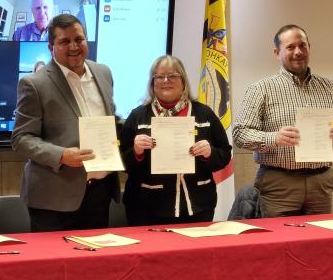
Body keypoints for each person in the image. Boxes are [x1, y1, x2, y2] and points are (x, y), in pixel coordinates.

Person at [233, 24, 333, 218]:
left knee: (318, 242)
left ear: (310, 48)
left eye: (303, 46)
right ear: (277, 52)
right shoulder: (261, 89)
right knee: (281, 243)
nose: (298, 52)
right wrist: (274, 138)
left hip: (321, 182)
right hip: (279, 183)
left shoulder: (331, 88)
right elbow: (240, 134)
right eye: (290, 47)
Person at [12, 14, 119, 232]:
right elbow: (21, 139)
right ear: (51, 46)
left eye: (78, 39)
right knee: (54, 265)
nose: (73, 46)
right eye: (64, 41)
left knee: (95, 264)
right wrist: (61, 155)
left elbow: (111, 120)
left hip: (100, 192)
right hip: (54, 198)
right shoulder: (34, 83)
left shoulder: (103, 72)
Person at [120, 55, 232, 226]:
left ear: (183, 81)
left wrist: (210, 153)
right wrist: (136, 153)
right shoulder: (138, 116)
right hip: (146, 208)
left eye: (172, 76)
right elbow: (121, 160)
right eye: (160, 76)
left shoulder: (204, 113)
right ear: (152, 82)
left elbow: (224, 154)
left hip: (198, 206)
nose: (166, 81)